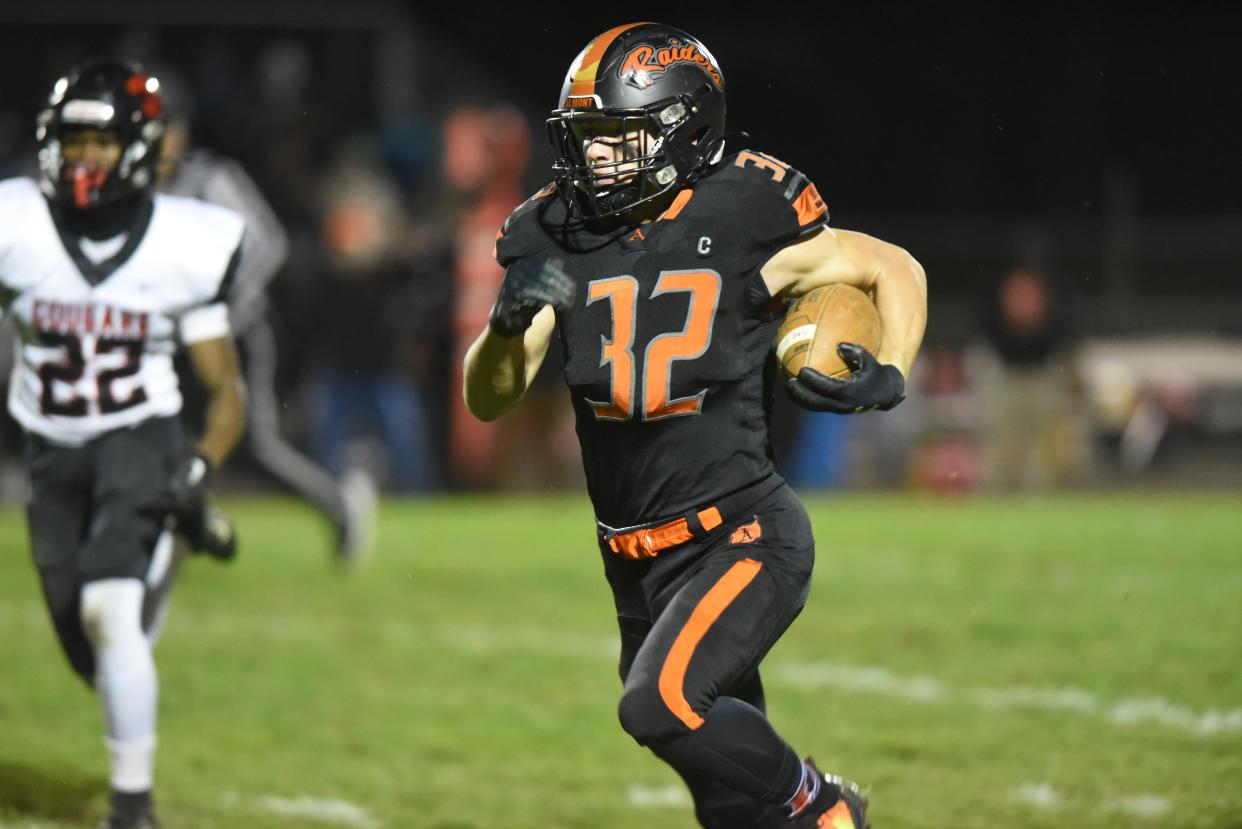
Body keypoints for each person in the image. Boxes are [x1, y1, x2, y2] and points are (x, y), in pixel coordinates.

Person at [464, 23, 927, 829]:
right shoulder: (554, 233)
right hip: (634, 557)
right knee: (724, 803)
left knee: (661, 704)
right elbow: (490, 397)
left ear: (684, 130)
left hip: (742, 532)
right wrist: (505, 330)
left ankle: (823, 806)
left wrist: (891, 367)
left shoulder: (747, 211)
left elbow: (893, 267)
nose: (595, 159)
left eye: (618, 139)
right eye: (587, 140)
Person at [1, 58, 248, 828]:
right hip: (50, 447)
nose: (83, 161)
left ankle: (131, 809)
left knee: (112, 611)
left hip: (141, 432)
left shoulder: (184, 242)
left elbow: (227, 391)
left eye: (99, 145)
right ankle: (173, 536)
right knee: (90, 652)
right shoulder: (18, 223)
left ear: (138, 148)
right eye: (71, 143)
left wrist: (199, 461)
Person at [156, 70, 376, 562]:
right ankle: (169, 541)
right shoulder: (137, 191)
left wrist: (220, 305)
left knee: (252, 446)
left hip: (233, 334)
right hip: (167, 342)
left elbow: (268, 244)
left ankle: (339, 504)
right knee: (158, 437)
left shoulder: (209, 179)